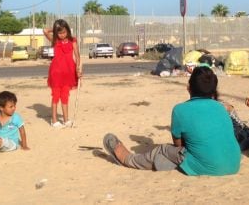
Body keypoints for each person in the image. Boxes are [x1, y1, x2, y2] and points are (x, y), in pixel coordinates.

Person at [103, 67, 241, 176]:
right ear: (213, 91)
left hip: (210, 168)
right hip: (234, 164)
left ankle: (128, 159)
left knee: (162, 150)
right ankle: (170, 165)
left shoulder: (180, 110)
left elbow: (178, 145)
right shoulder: (221, 107)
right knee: (192, 148)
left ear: (189, 87)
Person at [43, 19, 82, 128]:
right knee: (56, 96)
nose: (62, 35)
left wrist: (78, 69)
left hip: (69, 72)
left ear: (68, 31)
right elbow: (45, 31)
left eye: (64, 32)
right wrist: (55, 28)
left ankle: (66, 119)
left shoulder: (73, 40)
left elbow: (77, 56)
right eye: (59, 33)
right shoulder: (55, 40)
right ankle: (54, 120)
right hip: (56, 72)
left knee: (65, 96)